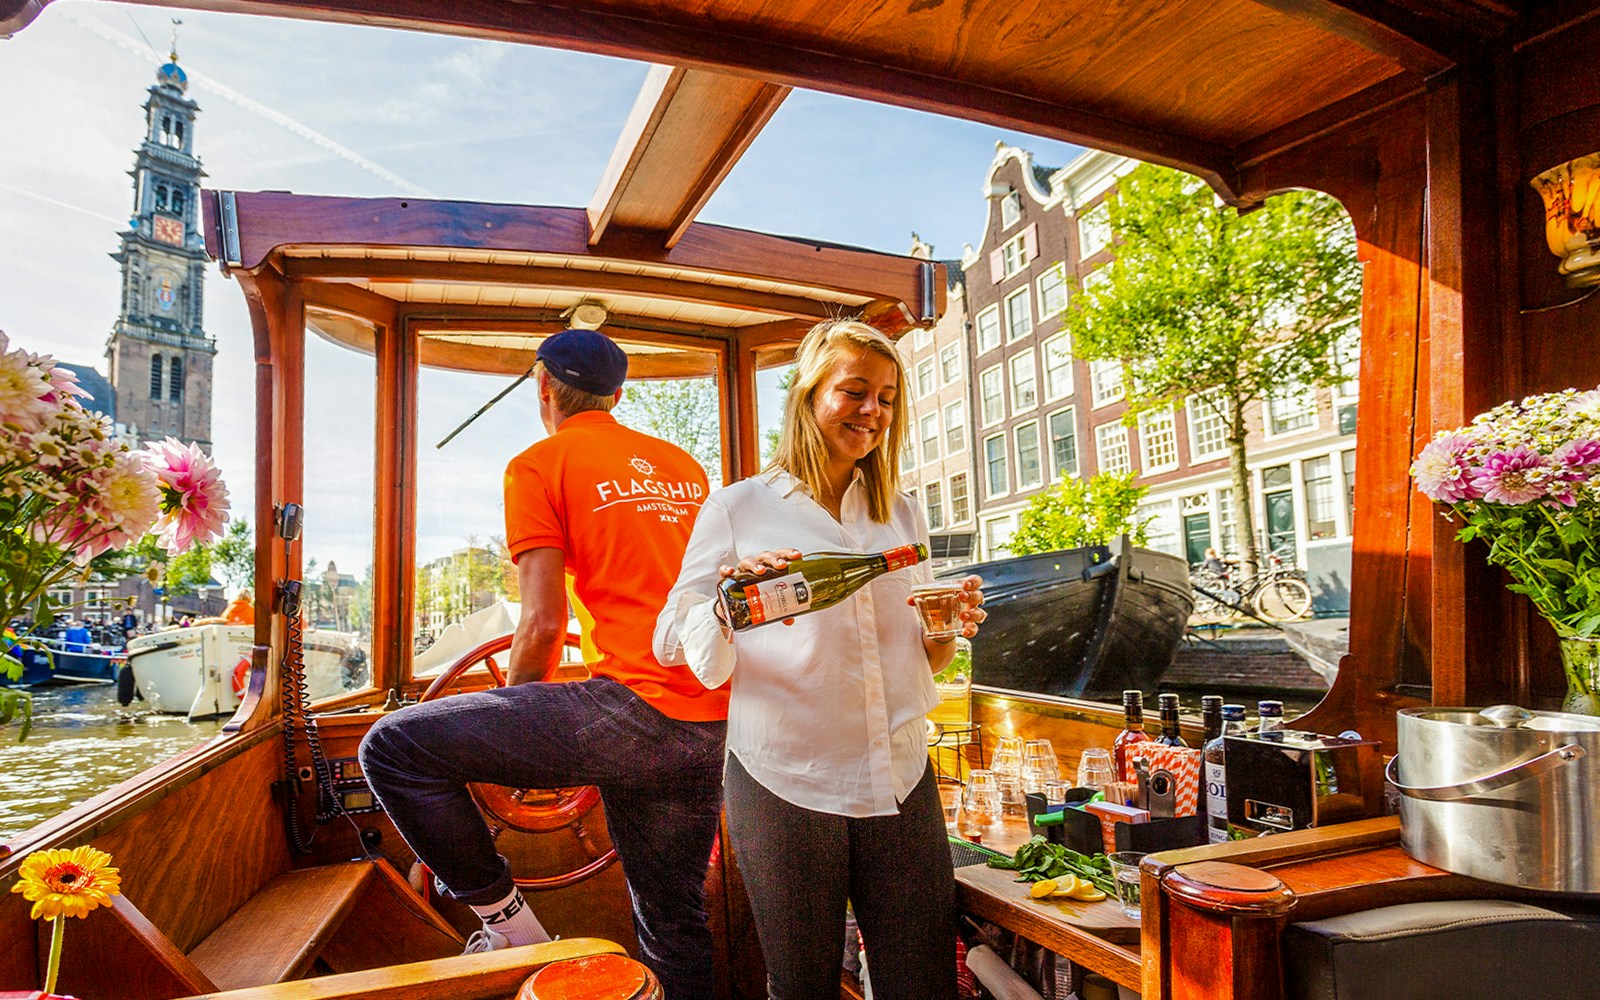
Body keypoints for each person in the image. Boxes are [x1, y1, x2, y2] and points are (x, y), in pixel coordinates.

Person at [360, 329, 727, 998]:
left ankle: (510, 931)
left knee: (392, 748)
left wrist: (512, 740)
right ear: (617, 395)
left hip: (635, 710)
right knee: (674, 924)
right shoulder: (684, 466)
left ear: (544, 390)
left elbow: (541, 623)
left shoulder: (538, 464)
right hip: (718, 721)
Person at [654, 319, 986, 1000]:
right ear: (808, 396)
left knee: (923, 984)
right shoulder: (739, 507)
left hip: (899, 771)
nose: (873, 412)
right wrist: (729, 603)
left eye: (888, 398)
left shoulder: (900, 511)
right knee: (802, 986)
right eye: (855, 391)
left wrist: (948, 625)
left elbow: (927, 655)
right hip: (786, 779)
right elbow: (668, 636)